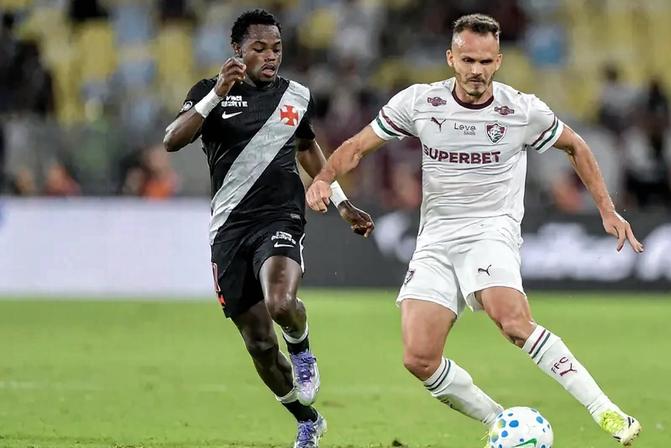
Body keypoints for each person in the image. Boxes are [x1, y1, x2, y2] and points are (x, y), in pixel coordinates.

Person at [306, 14, 643, 446]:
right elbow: (355, 148)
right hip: (436, 238)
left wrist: (607, 210)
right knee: (419, 358)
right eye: (467, 59)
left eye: (485, 61)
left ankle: (607, 412)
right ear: (451, 58)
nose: (476, 71)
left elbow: (574, 145)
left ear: (498, 62)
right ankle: (502, 422)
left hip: (491, 230)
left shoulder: (521, 110)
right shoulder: (420, 103)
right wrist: (322, 180)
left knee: (514, 322)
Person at [163, 9, 374, 448]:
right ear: (237, 50)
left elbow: (306, 148)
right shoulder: (209, 92)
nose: (270, 56)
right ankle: (307, 419)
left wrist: (341, 202)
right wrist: (217, 93)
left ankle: (302, 349)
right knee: (258, 343)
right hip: (228, 228)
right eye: (259, 48)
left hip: (280, 216)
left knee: (281, 302)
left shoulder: (295, 95)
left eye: (276, 48)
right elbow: (173, 139)